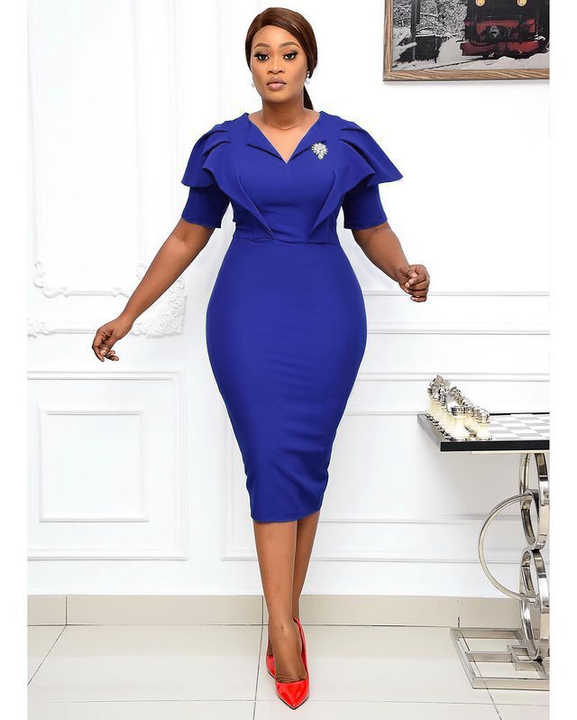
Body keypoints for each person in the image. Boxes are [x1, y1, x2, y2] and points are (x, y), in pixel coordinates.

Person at [90, 7, 430, 710]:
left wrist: (403, 270)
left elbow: (371, 228)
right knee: (270, 459)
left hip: (328, 314)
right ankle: (281, 629)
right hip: (246, 314)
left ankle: (285, 617)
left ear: (309, 62)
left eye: (288, 53)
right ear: (249, 65)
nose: (274, 65)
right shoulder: (223, 145)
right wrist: (129, 313)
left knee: (305, 462)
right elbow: (187, 237)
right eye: (261, 54)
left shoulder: (345, 142)